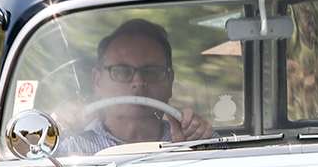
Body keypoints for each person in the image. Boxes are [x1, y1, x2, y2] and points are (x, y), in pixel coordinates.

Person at [56, 19, 214, 156]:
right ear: (98, 82)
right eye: (122, 71)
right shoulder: (69, 144)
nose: (138, 82)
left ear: (169, 81)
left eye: (151, 71)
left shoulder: (194, 140)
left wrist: (197, 149)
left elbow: (225, 163)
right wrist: (52, 134)